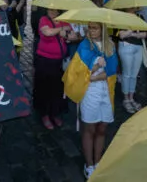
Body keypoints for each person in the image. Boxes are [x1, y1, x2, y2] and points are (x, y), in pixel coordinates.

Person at [63, 22, 118, 179]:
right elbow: (76, 72)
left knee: (102, 128)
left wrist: (95, 76)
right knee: (90, 129)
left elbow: (113, 69)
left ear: (103, 29)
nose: (91, 31)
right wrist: (95, 69)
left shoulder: (110, 46)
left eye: (95, 28)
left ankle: (98, 161)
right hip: (90, 92)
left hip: (106, 91)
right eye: (90, 27)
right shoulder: (84, 45)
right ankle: (89, 165)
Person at [34, 8, 70, 130]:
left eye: (55, 10)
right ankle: (44, 115)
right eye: (50, 9)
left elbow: (71, 35)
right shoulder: (44, 20)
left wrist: (66, 32)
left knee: (57, 89)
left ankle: (54, 113)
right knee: (45, 88)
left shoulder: (64, 21)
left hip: (59, 61)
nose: (52, 11)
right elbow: (47, 32)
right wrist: (60, 30)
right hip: (45, 60)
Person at [117, 8, 147, 113]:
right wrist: (133, 30)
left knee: (134, 75)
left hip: (138, 47)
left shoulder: (140, 17)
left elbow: (145, 34)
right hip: (126, 46)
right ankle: (126, 99)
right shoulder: (121, 17)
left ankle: (131, 98)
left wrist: (131, 33)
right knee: (127, 74)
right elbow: (121, 35)